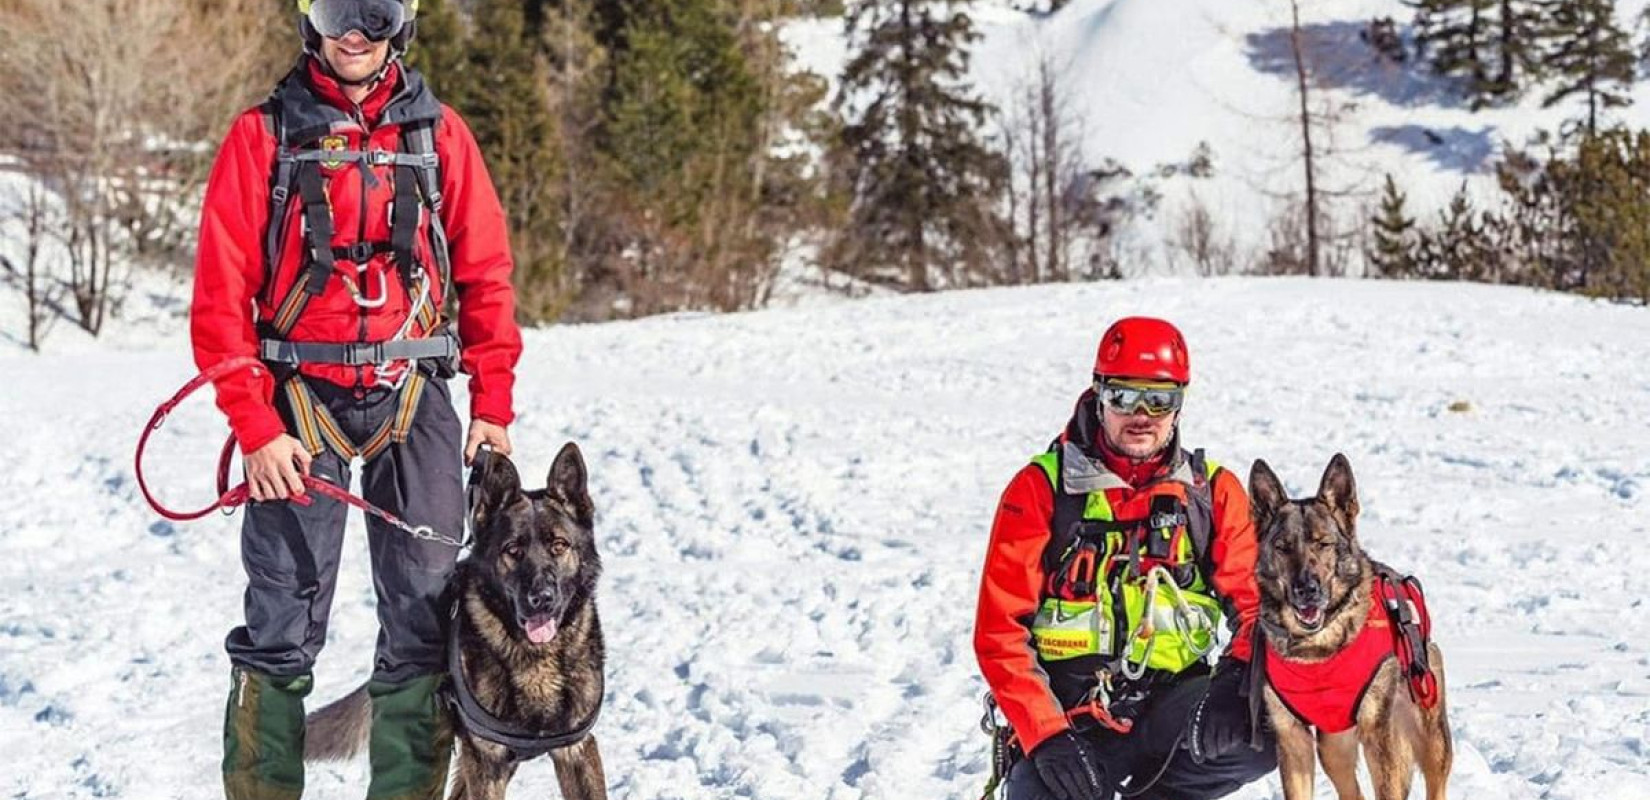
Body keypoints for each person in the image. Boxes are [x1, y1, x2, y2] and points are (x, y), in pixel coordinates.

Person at [190, 1, 521, 797]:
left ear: (400, 25)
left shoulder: (439, 137)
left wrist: (494, 405)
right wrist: (255, 424)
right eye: (337, 10)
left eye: (376, 14)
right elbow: (219, 298)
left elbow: (486, 276)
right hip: (297, 405)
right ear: (309, 19)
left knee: (423, 620)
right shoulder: (261, 136)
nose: (355, 32)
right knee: (280, 624)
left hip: (415, 398)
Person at [973, 317, 1276, 800]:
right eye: (1123, 396)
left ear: (1179, 403)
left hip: (1174, 705)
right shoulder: (1039, 490)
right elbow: (999, 631)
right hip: (1069, 716)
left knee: (1263, 732)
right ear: (1098, 393)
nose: (1142, 414)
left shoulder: (1212, 491)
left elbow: (1257, 607)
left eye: (1160, 399)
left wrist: (1234, 681)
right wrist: (1045, 734)